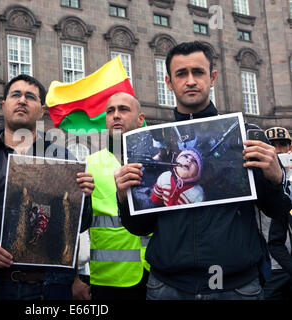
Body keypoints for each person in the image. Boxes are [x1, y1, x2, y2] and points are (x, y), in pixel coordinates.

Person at [115, 41, 291, 300]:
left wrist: (277, 179)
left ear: (212, 77)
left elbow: (276, 211)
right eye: (181, 74)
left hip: (237, 286)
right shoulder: (145, 143)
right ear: (168, 82)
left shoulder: (250, 135)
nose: (190, 81)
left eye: (198, 72)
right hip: (168, 286)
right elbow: (140, 228)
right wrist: (124, 197)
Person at [0, 74, 94, 300]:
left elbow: (80, 224)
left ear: (41, 110)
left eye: (30, 97)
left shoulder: (63, 158)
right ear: (4, 104)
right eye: (15, 95)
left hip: (48, 288)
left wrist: (85, 197)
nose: (22, 100)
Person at [82, 92, 150, 300]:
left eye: (123, 109)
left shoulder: (158, 159)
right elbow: (76, 226)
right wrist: (76, 277)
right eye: (110, 111)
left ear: (141, 119)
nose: (116, 115)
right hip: (109, 279)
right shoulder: (89, 163)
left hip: (157, 271)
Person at [260, 126, 292, 300]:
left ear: (290, 148)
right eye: (272, 145)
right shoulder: (254, 177)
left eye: (282, 144)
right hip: (269, 264)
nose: (278, 150)